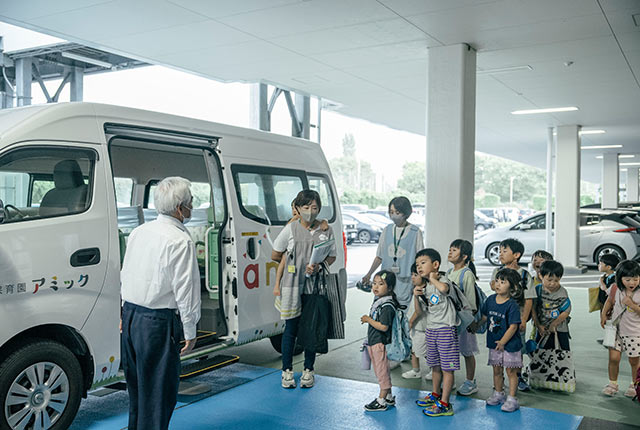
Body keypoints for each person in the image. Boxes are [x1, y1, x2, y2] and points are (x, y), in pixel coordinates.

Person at [120, 176, 201, 430]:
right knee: (158, 397)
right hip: (157, 323)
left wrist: (123, 314)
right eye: (190, 203)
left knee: (138, 392)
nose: (191, 207)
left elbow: (127, 273)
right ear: (180, 208)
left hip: (131, 317)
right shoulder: (180, 240)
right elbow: (184, 291)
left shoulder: (139, 232)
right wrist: (190, 331)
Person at [271, 189, 336, 389]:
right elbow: (275, 254)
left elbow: (332, 256)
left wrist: (318, 265)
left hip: (315, 288)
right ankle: (287, 370)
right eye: (306, 207)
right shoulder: (290, 229)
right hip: (292, 286)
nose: (310, 211)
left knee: (311, 328)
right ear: (297, 209)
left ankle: (309, 369)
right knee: (290, 330)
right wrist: (294, 264)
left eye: (314, 207)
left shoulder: (326, 230)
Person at [415, 248, 458, 417]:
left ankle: (445, 404)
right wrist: (415, 295)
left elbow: (445, 290)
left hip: (446, 329)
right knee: (434, 366)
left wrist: (433, 278)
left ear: (435, 265)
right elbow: (422, 310)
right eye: (417, 264)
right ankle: (435, 394)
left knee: (448, 368)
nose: (419, 267)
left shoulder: (443, 279)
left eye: (423, 263)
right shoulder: (425, 287)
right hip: (431, 329)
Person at [490, 238, 535, 391]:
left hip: (516, 320)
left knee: (516, 349)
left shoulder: (524, 275)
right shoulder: (497, 272)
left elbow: (529, 299)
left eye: (504, 251)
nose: (500, 254)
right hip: (500, 319)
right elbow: (493, 289)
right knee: (497, 348)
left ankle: (518, 376)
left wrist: (523, 320)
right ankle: (499, 380)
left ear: (516, 255)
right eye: (500, 251)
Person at [362, 196, 424, 307]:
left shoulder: (415, 232)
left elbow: (420, 260)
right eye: (391, 212)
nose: (393, 215)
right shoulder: (387, 230)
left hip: (405, 282)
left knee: (402, 312)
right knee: (384, 310)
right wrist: (369, 274)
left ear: (406, 213)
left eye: (397, 212)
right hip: (385, 281)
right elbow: (379, 257)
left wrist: (420, 282)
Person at [481, 268, 523, 412]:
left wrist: (503, 342)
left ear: (512, 287)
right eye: (497, 281)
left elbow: (513, 327)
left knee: (511, 372)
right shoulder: (491, 299)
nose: (498, 284)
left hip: (509, 344)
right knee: (497, 370)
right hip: (494, 343)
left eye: (503, 282)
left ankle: (512, 399)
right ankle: (498, 393)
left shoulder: (512, 305)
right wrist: (475, 325)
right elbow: (485, 316)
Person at [600, 260, 640, 398]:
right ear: (620, 278)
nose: (632, 283)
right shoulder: (615, 288)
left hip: (634, 332)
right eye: (628, 279)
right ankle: (612, 384)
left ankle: (635, 384)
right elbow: (610, 301)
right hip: (615, 330)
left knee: (634, 360)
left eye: (635, 279)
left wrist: (633, 305)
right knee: (613, 358)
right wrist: (603, 314)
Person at [361, 270, 400, 411]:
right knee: (380, 370)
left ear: (389, 288)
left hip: (380, 343)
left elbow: (383, 327)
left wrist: (368, 319)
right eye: (374, 283)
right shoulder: (380, 301)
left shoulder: (387, 305)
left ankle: (381, 400)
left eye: (381, 284)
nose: (376, 287)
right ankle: (389, 397)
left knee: (382, 372)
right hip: (374, 342)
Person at [274, 199, 329, 297]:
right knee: (283, 261)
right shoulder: (293, 223)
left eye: (295, 208)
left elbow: (322, 221)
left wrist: (324, 222)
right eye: (293, 209)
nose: (294, 211)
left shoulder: (313, 223)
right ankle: (277, 284)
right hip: (290, 256)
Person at [446, 239, 479, 396]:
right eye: (450, 249)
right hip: (449, 319)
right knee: (449, 350)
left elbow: (471, 301)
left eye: (454, 250)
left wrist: (470, 321)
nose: (450, 252)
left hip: (463, 320)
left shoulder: (466, 274)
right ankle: (449, 380)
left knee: (467, 351)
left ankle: (470, 381)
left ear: (464, 256)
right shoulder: (448, 273)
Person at [531, 261, 572, 351]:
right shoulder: (538, 290)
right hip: (542, 328)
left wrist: (554, 324)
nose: (553, 283)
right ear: (541, 276)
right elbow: (533, 309)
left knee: (562, 354)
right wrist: (538, 326)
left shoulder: (562, 293)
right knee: (541, 353)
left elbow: (566, 311)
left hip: (559, 329)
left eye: (556, 280)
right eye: (549, 280)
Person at [402, 263, 432, 381]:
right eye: (412, 275)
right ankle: (417, 370)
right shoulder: (416, 289)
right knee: (415, 349)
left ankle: (429, 370)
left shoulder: (423, 291)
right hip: (417, 327)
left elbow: (419, 311)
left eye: (416, 275)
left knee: (423, 351)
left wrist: (410, 322)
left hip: (421, 327)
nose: (412, 277)